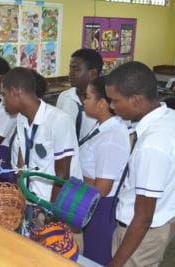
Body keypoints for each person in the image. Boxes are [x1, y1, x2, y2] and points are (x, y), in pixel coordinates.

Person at [105, 61, 175, 267]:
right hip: (162, 221)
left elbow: (143, 217)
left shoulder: (152, 145)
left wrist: (116, 263)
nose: (111, 106)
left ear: (136, 100)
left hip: (140, 236)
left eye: (115, 101)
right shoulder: (169, 117)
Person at [1, 67, 82, 202]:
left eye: (4, 95)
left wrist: (49, 213)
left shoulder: (59, 120)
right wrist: (20, 199)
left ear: (15, 92)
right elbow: (21, 164)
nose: (3, 101)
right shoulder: (22, 118)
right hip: (32, 199)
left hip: (54, 203)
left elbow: (62, 176)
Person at [79, 76, 130, 265]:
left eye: (88, 97)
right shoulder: (101, 127)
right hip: (92, 203)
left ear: (102, 103)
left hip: (100, 208)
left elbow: (103, 187)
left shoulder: (111, 137)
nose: (84, 101)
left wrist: (75, 181)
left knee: (96, 258)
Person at [56, 48, 103, 143]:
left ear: (93, 73)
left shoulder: (105, 101)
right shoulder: (65, 97)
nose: (70, 73)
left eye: (76, 69)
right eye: (70, 68)